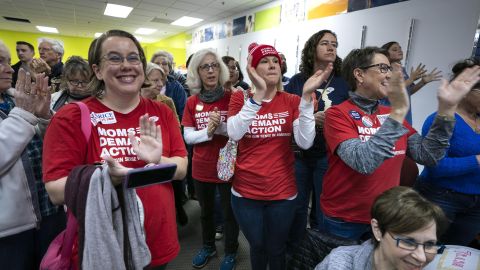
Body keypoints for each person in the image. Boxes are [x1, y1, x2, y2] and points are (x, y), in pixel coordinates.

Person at [42, 30, 188, 269]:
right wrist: (106, 178)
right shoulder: (72, 117)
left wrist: (157, 160)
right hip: (103, 246)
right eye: (115, 58)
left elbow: (181, 168)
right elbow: (56, 191)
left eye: (133, 58)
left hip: (157, 241)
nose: (127, 66)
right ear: (97, 70)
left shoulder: (162, 112)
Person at [320, 46, 480, 241]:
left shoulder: (390, 114)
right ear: (359, 74)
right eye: (382, 68)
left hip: (385, 216)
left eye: (390, 68)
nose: (390, 74)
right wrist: (397, 112)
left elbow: (428, 156)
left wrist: (446, 110)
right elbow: (364, 162)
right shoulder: (338, 114)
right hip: (345, 218)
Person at [227, 42, 328, 270]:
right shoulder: (240, 98)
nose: (272, 64)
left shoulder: (291, 100)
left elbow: (305, 142)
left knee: (277, 247)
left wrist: (305, 101)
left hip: (282, 193)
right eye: (264, 61)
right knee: (258, 246)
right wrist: (258, 97)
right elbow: (234, 132)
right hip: (246, 193)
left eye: (275, 61)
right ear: (253, 69)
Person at [0, 40, 66, 270]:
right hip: (11, 230)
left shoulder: (15, 99)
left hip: (49, 209)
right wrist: (23, 115)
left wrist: (45, 116)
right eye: (1, 62)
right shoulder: (20, 105)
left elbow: (53, 147)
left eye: (8, 62)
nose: (10, 68)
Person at [285, 30, 350, 242]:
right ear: (313, 49)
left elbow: (351, 115)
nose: (331, 47)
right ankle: (296, 250)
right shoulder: (297, 81)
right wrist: (311, 117)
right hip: (300, 154)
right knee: (297, 206)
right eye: (325, 43)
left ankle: (318, 250)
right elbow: (287, 114)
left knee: (323, 208)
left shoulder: (343, 82)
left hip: (329, 154)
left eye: (335, 44)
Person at [183, 48, 240, 270]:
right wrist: (208, 130)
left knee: (229, 213)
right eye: (204, 66)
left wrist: (220, 127)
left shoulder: (233, 97)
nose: (210, 70)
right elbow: (188, 137)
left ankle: (232, 251)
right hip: (202, 166)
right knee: (205, 213)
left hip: (228, 164)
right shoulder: (192, 102)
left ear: (221, 70)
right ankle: (208, 247)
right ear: (197, 72)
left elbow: (239, 132)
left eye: (214, 65)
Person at [416, 58, 480, 246]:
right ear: (466, 91)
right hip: (440, 197)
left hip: (475, 204)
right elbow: (435, 166)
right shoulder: (439, 120)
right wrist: (476, 160)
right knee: (424, 250)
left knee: (455, 252)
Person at [315, 186, 448, 270]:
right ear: (378, 230)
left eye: (430, 244)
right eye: (408, 242)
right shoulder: (339, 265)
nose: (422, 258)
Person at [379, 41, 442, 124]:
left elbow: (408, 91)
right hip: (390, 114)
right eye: (395, 49)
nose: (400, 50)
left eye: (400, 48)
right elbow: (391, 91)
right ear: (386, 54)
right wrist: (411, 79)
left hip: (405, 114)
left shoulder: (402, 70)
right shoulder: (385, 70)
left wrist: (423, 82)